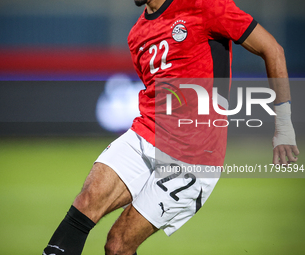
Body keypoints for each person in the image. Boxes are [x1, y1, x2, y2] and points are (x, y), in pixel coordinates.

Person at [43, 0, 299, 254]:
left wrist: (284, 126)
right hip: (146, 133)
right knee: (86, 202)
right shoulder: (137, 35)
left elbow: (272, 49)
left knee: (118, 244)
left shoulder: (204, 5)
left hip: (194, 157)